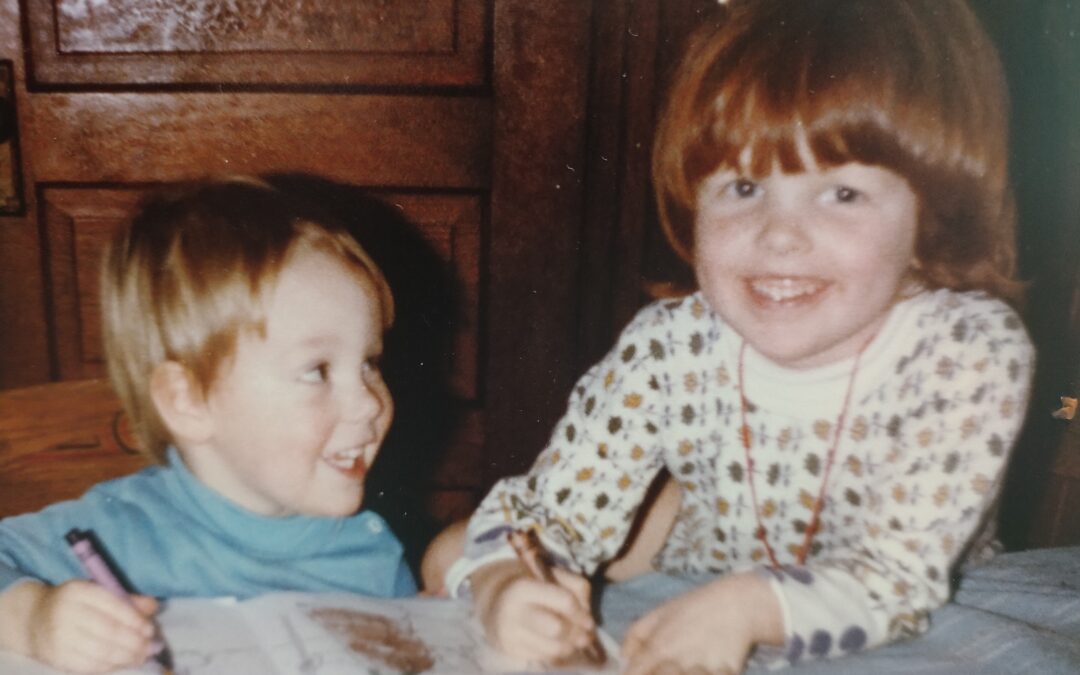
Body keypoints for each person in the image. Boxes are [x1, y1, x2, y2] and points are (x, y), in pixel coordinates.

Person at [432, 0, 1036, 672]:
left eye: (841, 193)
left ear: (933, 212)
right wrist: (506, 584)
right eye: (744, 185)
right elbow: (544, 516)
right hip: (691, 595)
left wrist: (748, 607)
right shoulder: (669, 347)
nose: (779, 234)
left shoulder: (967, 352)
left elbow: (899, 578)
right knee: (452, 554)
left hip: (915, 628)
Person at [0, 177, 417, 674]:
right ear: (189, 400)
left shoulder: (370, 555)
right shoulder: (119, 531)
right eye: (318, 371)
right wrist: (32, 619)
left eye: (370, 362)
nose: (369, 403)